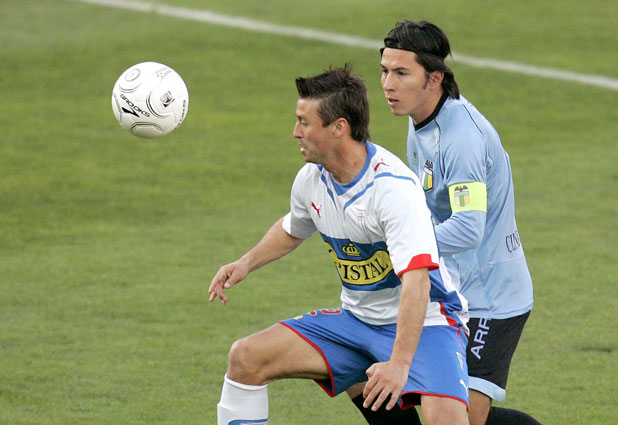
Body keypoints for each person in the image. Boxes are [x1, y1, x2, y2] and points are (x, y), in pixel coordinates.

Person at [208, 65, 470, 425]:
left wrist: (399, 363)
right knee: (246, 358)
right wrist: (245, 263)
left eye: (304, 122)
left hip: (428, 323)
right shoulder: (311, 179)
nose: (295, 132)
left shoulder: (393, 190)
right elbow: (293, 228)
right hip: (357, 321)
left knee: (448, 420)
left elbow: (417, 281)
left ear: (339, 128)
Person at [347, 20, 542, 425]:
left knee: (464, 418)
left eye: (402, 73)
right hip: (450, 290)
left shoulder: (461, 138)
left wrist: (402, 246)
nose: (387, 85)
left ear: (434, 78)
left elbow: (468, 228)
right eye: (384, 71)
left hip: (491, 300)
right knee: (358, 371)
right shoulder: (420, 119)